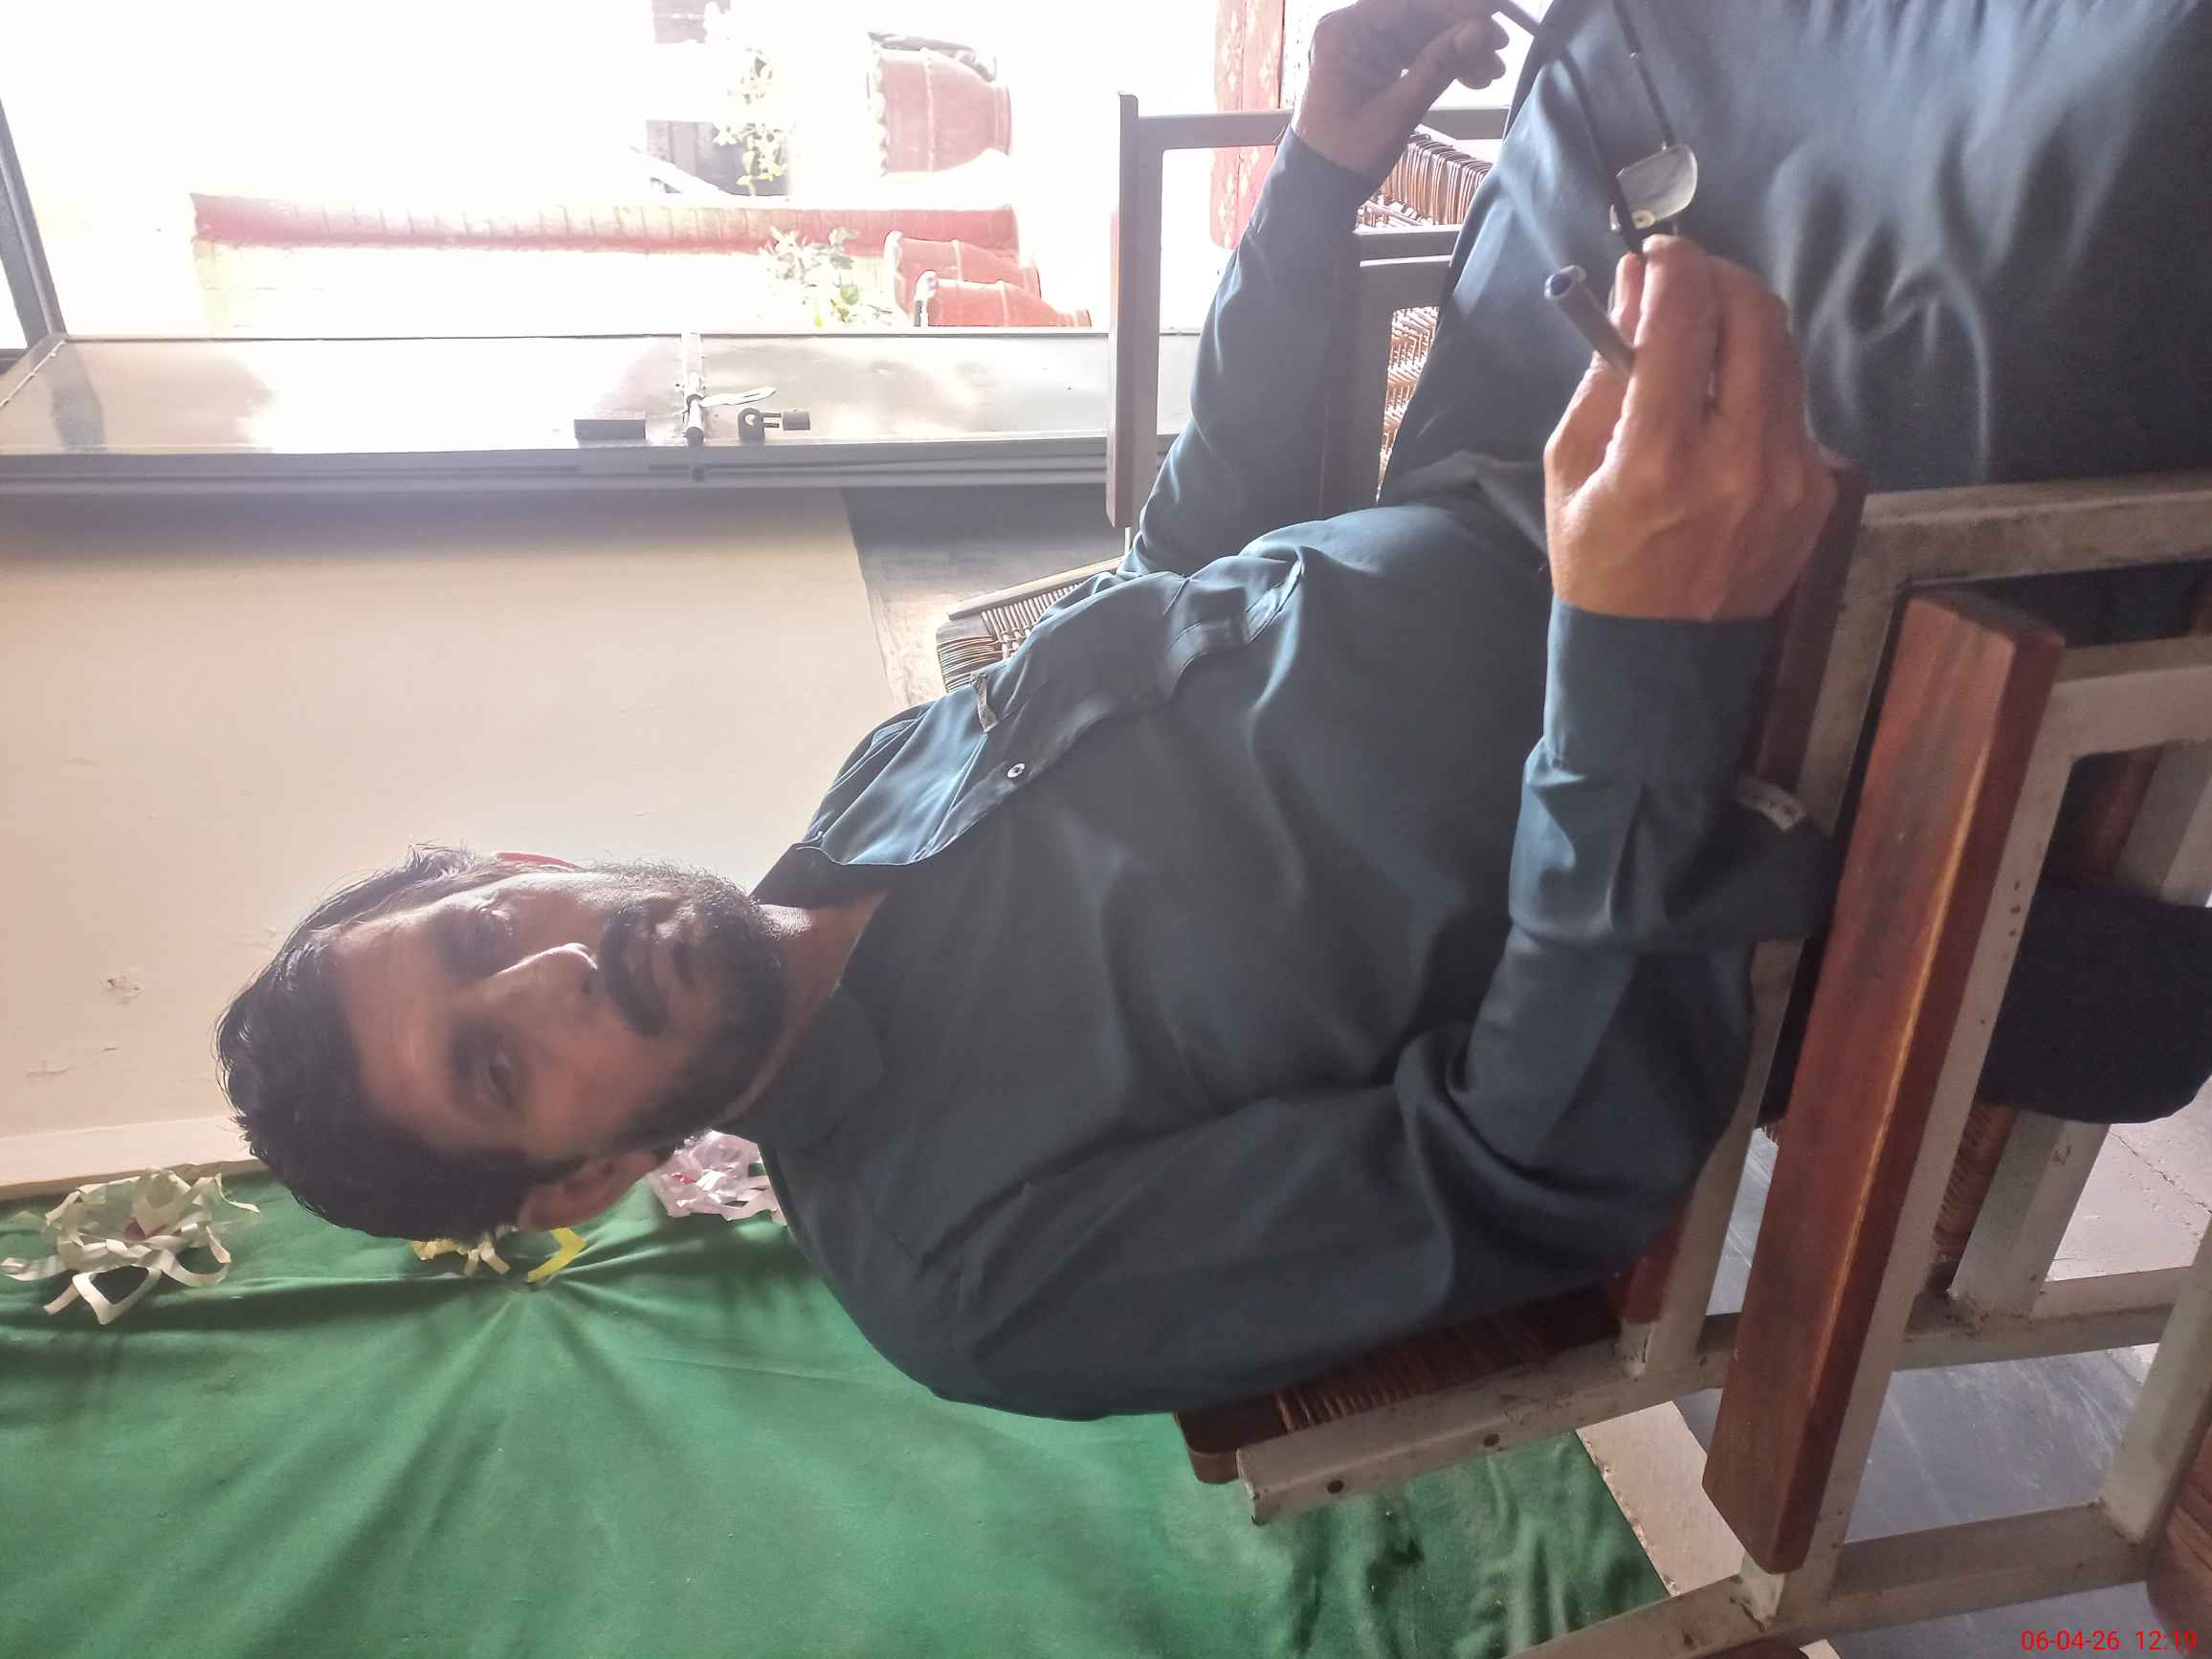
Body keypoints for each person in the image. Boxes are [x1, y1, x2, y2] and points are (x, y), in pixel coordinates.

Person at [217, 0, 2212, 1419]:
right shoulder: (976, 1274)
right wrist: (1641, 646)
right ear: (576, 1185)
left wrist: (1314, 177)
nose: (549, 972)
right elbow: (1530, 1165)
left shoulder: (864, 806)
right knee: (2134, 85)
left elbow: (1185, 561)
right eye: (500, 1065)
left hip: (1538, 436)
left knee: (1639, 31)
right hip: (1778, 671)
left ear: (509, 861)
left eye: (480, 932)